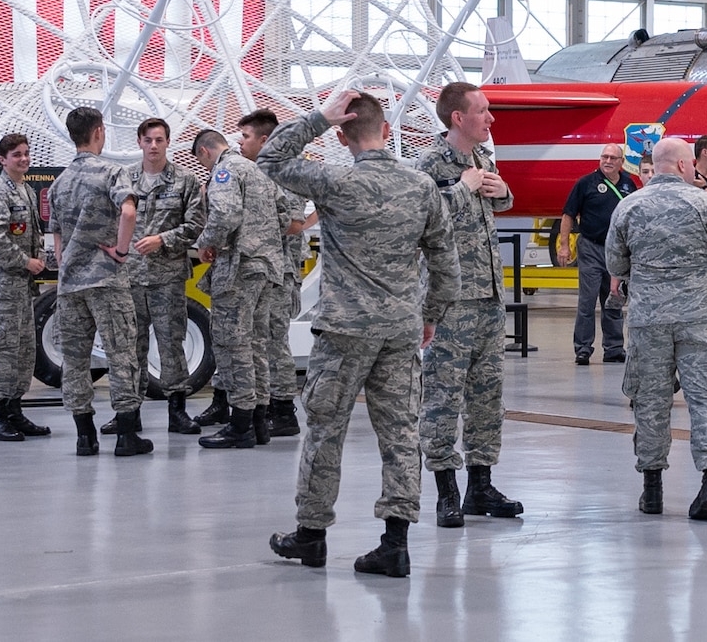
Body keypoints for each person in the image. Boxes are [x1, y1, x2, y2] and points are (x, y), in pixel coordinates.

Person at [263, 90, 454, 578]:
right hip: (399, 330)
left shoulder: (334, 180)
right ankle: (395, 543)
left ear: (343, 136)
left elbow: (270, 157)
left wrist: (317, 119)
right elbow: (445, 263)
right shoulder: (421, 186)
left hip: (344, 331)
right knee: (400, 435)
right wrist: (428, 315)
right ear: (387, 131)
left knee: (327, 430)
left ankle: (312, 536)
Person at [606, 135, 707, 520]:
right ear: (684, 166)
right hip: (700, 316)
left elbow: (615, 263)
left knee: (650, 401)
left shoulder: (628, 206)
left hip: (648, 319)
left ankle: (652, 490)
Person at [413, 82, 524, 528]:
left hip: (489, 299)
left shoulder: (482, 160)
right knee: (441, 397)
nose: (490, 119)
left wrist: (502, 192)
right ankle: (445, 491)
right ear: (458, 118)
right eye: (482, 111)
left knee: (486, 397)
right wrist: (462, 187)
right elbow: (422, 217)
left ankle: (481, 485)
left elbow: (499, 204)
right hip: (449, 302)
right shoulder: (427, 165)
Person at [47, 106, 146, 458]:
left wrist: (70, 263)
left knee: (74, 359)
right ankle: (126, 435)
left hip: (70, 285)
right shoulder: (113, 173)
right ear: (100, 132)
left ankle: (84, 436)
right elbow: (129, 212)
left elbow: (56, 244)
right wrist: (121, 251)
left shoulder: (59, 184)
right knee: (121, 355)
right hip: (106, 280)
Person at [196, 126, 299, 449]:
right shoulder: (257, 171)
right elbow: (286, 216)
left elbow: (224, 214)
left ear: (204, 153)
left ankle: (240, 423)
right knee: (257, 344)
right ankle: (258, 421)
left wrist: (206, 243)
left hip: (240, 267)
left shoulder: (225, 170)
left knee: (233, 344)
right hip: (269, 268)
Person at [107, 117, 207, 437]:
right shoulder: (125, 179)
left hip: (167, 276)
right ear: (139, 142)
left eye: (159, 140)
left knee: (171, 344)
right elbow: (112, 222)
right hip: (131, 276)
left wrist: (163, 239)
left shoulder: (184, 180)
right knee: (130, 347)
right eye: (148, 140)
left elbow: (196, 225)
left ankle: (176, 411)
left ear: (167, 142)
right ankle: (129, 413)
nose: (153, 146)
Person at [0, 132, 49, 442]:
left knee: (22, 352)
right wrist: (24, 261)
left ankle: (14, 411)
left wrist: (40, 256)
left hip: (21, 288)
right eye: (16, 155)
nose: (23, 159)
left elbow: (35, 232)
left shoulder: (26, 191)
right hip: (2, 288)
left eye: (26, 153)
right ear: (2, 160)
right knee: (3, 351)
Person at [556, 143, 632, 366]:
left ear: (621, 162)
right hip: (590, 247)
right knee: (587, 301)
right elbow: (568, 214)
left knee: (614, 299)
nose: (607, 161)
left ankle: (614, 348)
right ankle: (583, 348)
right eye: (604, 157)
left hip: (616, 251)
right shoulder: (586, 183)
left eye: (612, 158)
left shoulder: (628, 184)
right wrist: (563, 245)